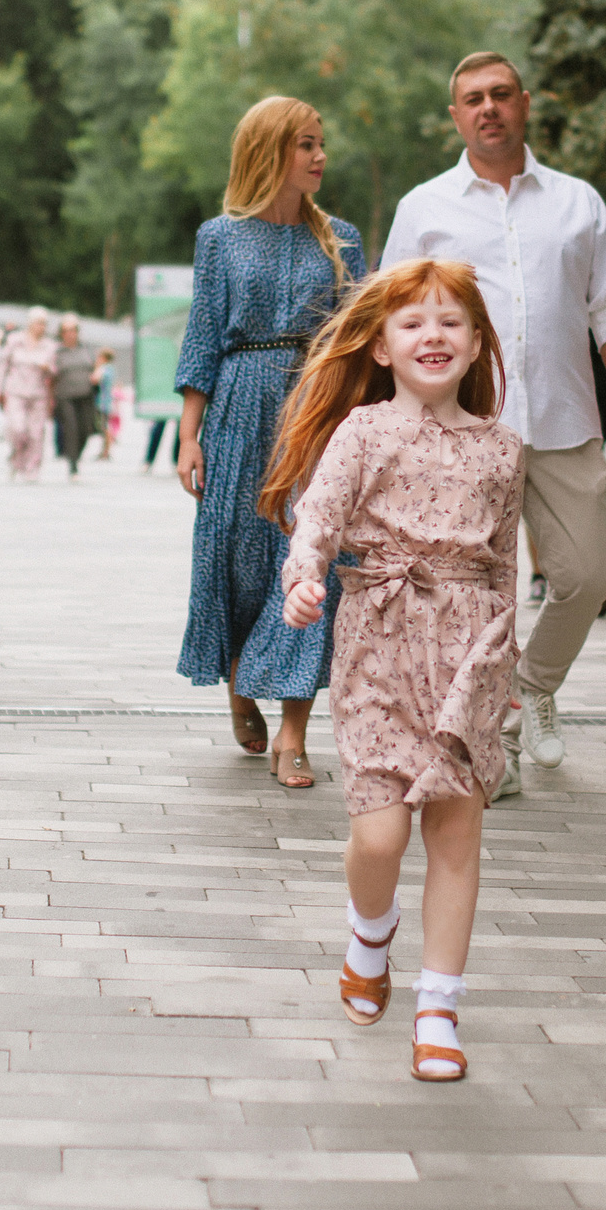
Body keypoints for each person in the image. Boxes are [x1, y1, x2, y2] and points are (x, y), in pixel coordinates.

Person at [271, 257, 519, 1082]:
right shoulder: (365, 431)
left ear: (478, 343)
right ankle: (369, 935)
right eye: (413, 322)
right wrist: (304, 578)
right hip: (376, 639)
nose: (433, 336)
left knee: (456, 831)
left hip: (468, 655)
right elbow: (318, 518)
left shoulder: (502, 449)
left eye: (452, 322)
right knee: (380, 832)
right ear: (380, 347)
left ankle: (439, 1006)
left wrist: (505, 664)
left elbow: (506, 564)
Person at [381, 53, 606, 798]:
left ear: (526, 105)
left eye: (501, 94)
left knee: (586, 576)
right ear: (455, 115)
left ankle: (530, 687)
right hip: (463, 430)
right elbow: (393, 319)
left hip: (566, 420)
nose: (488, 108)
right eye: (472, 98)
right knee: (474, 593)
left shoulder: (577, 204)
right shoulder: (424, 208)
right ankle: (485, 744)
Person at [175, 96, 366, 787]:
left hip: (315, 407)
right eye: (305, 144)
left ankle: (294, 732)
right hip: (237, 404)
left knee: (309, 561)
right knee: (235, 558)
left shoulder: (341, 239)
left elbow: (357, 338)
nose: (319, 156)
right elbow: (202, 336)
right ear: (269, 150)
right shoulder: (219, 238)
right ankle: (237, 677)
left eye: (321, 144)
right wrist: (188, 436)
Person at [0, 311, 59, 481]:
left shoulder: (50, 345)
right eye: (39, 323)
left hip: (39, 394)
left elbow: (55, 372)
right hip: (16, 392)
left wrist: (48, 369)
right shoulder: (15, 341)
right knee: (18, 429)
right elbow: (3, 365)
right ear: (30, 323)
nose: (42, 327)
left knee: (36, 433)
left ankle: (32, 468)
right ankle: (16, 459)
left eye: (44, 324)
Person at [52, 317, 97, 479]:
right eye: (67, 331)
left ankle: (76, 455)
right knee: (71, 428)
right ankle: (72, 465)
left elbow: (96, 366)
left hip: (86, 394)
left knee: (86, 429)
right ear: (61, 333)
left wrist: (97, 375)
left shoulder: (86, 349)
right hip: (65, 396)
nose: (71, 334)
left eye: (74, 330)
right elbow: (51, 376)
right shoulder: (57, 351)